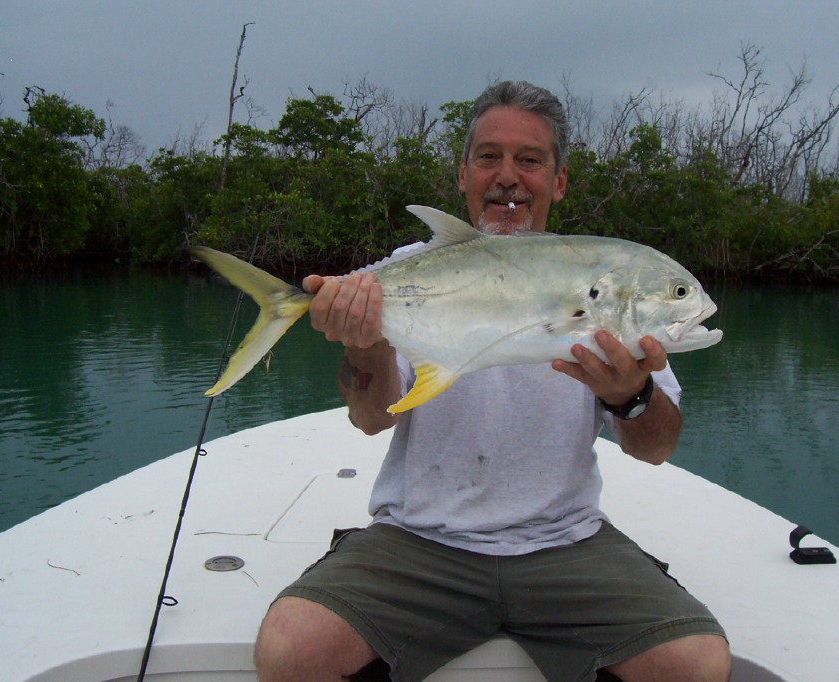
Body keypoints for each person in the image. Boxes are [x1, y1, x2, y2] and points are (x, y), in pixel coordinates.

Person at [254, 80, 730, 682]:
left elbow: (656, 449)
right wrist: (368, 339)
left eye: (529, 160)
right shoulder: (402, 271)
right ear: (463, 174)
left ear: (557, 181)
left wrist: (629, 395)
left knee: (696, 665)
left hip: (565, 544)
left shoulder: (601, 279)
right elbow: (372, 419)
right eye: (489, 158)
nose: (508, 176)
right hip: (420, 540)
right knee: (290, 652)